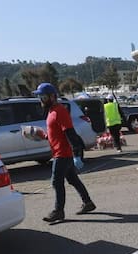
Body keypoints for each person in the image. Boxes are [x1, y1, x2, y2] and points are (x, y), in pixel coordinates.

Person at [32, 82, 95, 223]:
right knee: (73, 179)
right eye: (39, 97)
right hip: (59, 152)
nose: (40, 100)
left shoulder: (60, 111)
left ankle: (58, 211)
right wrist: (43, 135)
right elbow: (56, 133)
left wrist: (77, 154)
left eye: (43, 97)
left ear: (52, 96)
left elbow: (71, 134)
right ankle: (88, 203)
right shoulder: (51, 111)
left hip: (63, 153)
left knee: (56, 182)